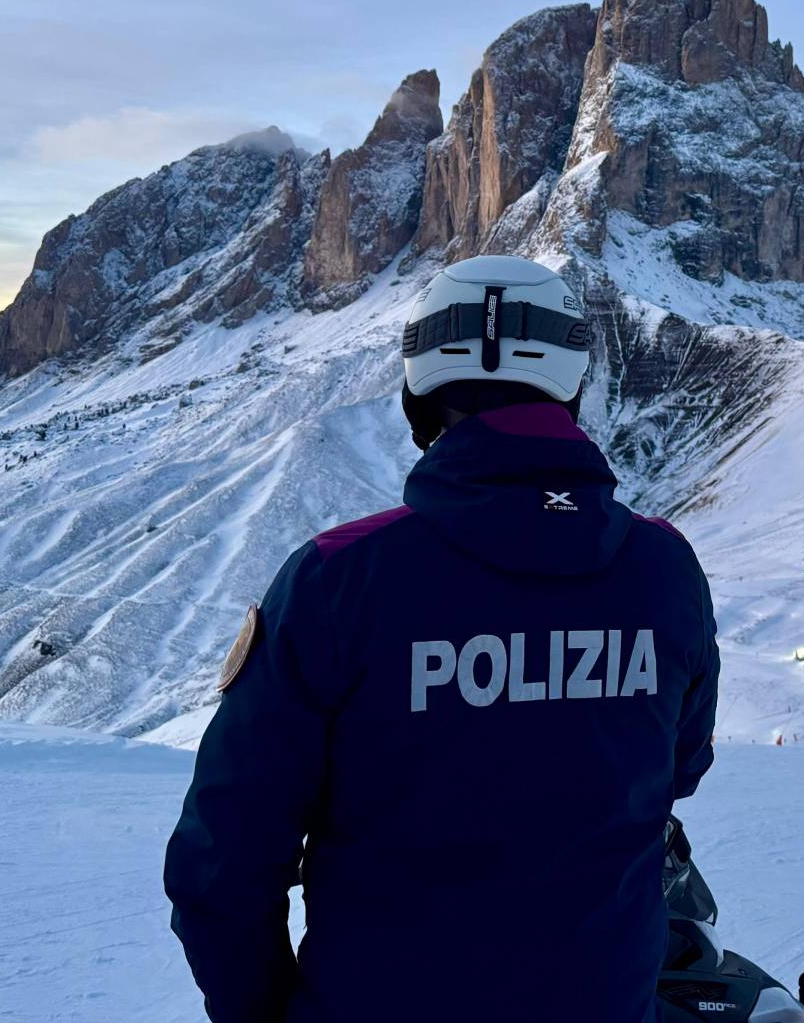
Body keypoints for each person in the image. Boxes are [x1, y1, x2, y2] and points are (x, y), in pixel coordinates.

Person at [164, 255, 721, 1022]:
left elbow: (222, 864)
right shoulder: (665, 570)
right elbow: (678, 767)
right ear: (573, 381)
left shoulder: (339, 579)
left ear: (418, 387)